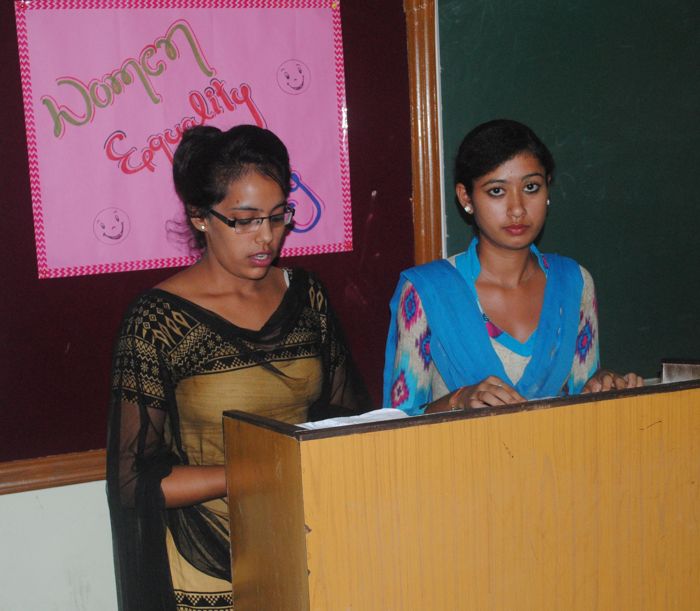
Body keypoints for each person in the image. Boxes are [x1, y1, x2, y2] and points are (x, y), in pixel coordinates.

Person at [106, 124, 369, 610]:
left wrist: (440, 407)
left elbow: (348, 424)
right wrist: (251, 473)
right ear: (199, 216)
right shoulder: (158, 320)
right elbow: (132, 481)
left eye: (277, 216)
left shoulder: (307, 298)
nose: (266, 237)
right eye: (244, 221)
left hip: (304, 541)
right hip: (204, 563)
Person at [383, 119, 643, 414]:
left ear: (547, 190)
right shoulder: (427, 292)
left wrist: (601, 384)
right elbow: (398, 422)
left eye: (531, 187)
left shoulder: (573, 283)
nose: (517, 209)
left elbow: (582, 405)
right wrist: (459, 400)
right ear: (466, 197)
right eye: (497, 191)